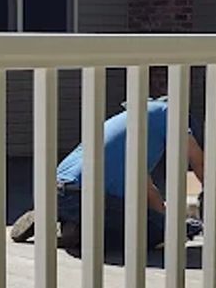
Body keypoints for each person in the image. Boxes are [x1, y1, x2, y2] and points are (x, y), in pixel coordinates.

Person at [11, 71, 205, 251]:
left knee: (158, 223)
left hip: (57, 188)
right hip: (86, 196)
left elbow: (148, 189)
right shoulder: (170, 114)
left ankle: (58, 214)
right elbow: (199, 163)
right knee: (156, 233)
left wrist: (162, 218)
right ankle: (77, 232)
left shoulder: (134, 120)